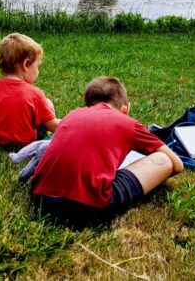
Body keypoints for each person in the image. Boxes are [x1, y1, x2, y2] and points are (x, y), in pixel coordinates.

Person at [31, 76, 183, 226]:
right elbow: (177, 165)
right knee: (163, 160)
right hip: (85, 207)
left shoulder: (73, 114)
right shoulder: (128, 123)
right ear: (125, 109)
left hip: (41, 199)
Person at [0, 33, 60, 148]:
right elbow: (53, 126)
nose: (38, 71)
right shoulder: (35, 93)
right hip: (24, 145)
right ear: (26, 64)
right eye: (38, 66)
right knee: (48, 103)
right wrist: (73, 122)